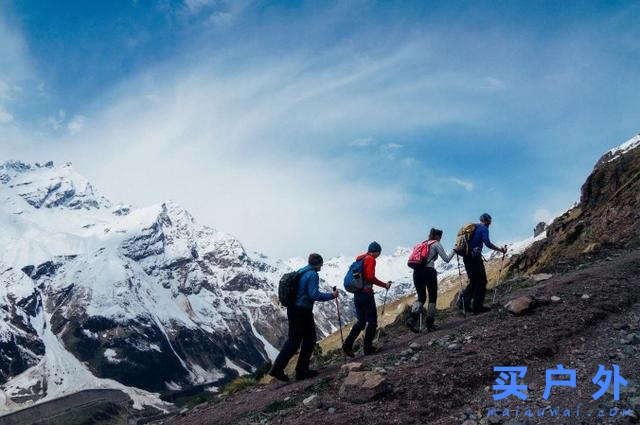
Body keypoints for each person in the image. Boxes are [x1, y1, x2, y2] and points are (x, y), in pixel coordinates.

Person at [269, 253, 338, 382]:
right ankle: (301, 370)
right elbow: (314, 295)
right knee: (310, 339)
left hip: (293, 309)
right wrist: (332, 295)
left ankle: (279, 368)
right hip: (303, 311)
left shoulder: (302, 271)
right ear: (318, 263)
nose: (322, 267)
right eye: (321, 264)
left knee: (294, 340)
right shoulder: (312, 275)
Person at [342, 241, 392, 357]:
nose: (378, 256)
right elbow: (370, 277)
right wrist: (384, 285)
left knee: (361, 322)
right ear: (376, 251)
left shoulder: (359, 260)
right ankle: (368, 348)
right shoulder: (370, 259)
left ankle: (347, 345)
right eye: (379, 253)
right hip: (366, 295)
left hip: (357, 295)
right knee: (372, 321)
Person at [406, 228, 455, 333]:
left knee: (421, 298)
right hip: (429, 271)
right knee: (432, 297)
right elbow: (446, 259)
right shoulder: (436, 244)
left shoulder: (423, 244)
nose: (440, 239)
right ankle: (429, 323)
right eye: (440, 237)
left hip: (417, 272)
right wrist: (454, 251)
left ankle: (412, 318)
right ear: (437, 236)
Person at [457, 213, 507, 314]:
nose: (490, 222)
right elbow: (487, 243)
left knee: (473, 281)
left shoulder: (473, 227)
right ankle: (477, 307)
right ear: (487, 220)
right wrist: (500, 250)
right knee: (482, 281)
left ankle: (464, 303)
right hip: (475, 258)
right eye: (490, 220)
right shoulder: (484, 228)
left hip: (466, 257)